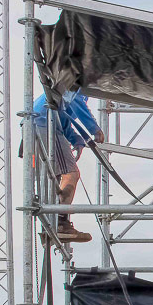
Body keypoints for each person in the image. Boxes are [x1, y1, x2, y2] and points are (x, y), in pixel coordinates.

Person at [30, 88, 105, 243]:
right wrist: (94, 128)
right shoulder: (77, 84)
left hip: (39, 124)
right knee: (71, 174)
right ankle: (60, 223)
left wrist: (76, 140)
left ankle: (53, 223)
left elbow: (64, 119)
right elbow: (77, 102)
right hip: (45, 125)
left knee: (54, 178)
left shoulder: (62, 86)